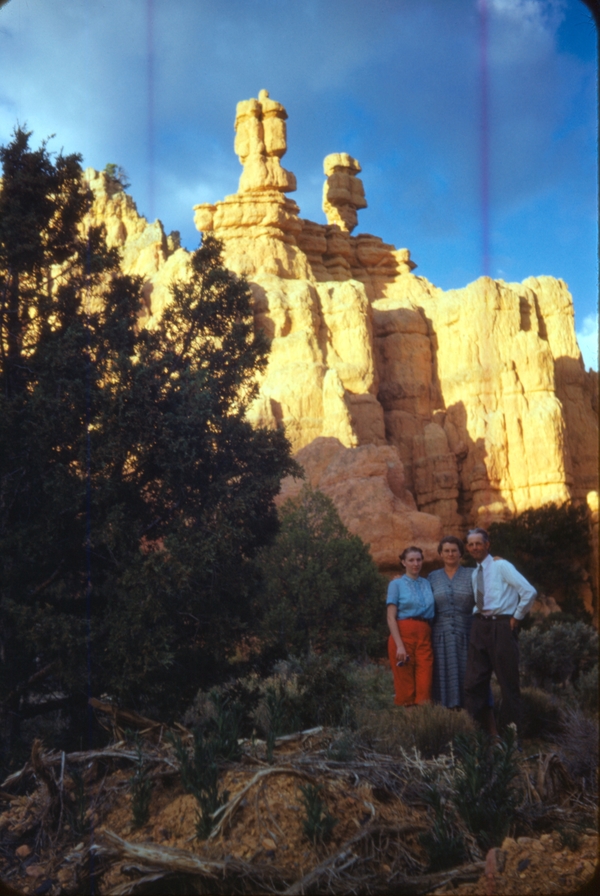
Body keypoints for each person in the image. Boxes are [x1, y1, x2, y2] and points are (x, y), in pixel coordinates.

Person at [464, 527, 537, 737]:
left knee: (508, 685)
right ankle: (476, 737)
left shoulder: (502, 566)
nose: (475, 547)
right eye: (471, 544)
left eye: (479, 543)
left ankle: (512, 741)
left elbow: (529, 591)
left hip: (501, 626)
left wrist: (516, 617)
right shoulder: (474, 572)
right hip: (479, 626)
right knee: (473, 683)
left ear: (487, 544)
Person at [428, 536, 477, 710]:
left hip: (467, 633)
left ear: (460, 553)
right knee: (442, 676)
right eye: (446, 551)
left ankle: (471, 718)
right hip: (440, 636)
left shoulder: (472, 574)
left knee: (469, 675)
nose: (450, 554)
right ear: (441, 554)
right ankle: (446, 720)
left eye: (454, 550)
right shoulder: (432, 577)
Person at [386, 546, 435, 706]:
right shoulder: (396, 584)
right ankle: (408, 727)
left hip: (424, 636)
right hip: (403, 635)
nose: (416, 563)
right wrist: (400, 645)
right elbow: (391, 617)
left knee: (425, 684)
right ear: (403, 562)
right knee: (405, 687)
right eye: (411, 560)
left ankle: (422, 726)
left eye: (419, 560)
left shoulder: (427, 583)